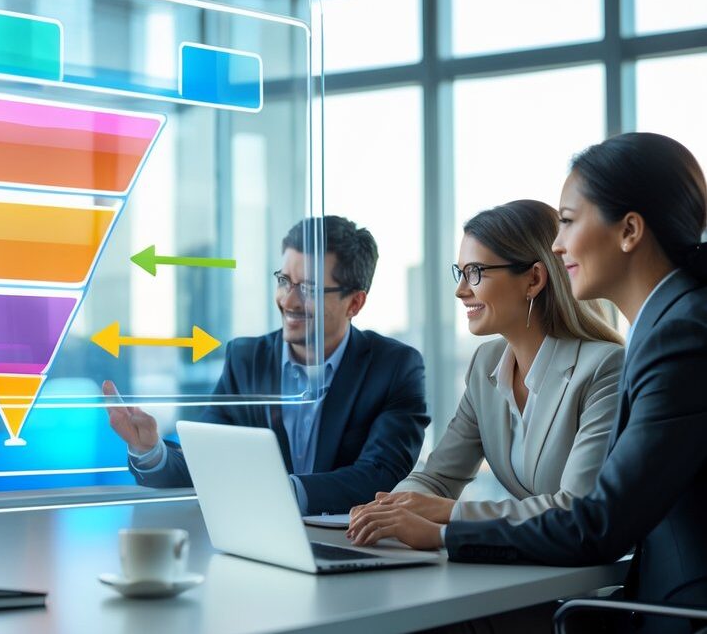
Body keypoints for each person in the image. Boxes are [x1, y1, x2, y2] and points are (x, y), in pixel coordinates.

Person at [348, 133, 707, 630]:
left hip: (665, 607)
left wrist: (444, 527)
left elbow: (596, 522)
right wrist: (391, 513)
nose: (558, 244)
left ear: (628, 231)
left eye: (568, 221)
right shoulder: (670, 323)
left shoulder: (674, 337)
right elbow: (442, 473)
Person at [105, 215, 430, 515]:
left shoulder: (395, 367)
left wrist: (277, 492)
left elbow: (379, 473)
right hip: (259, 544)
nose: (288, 300)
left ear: (355, 303)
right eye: (285, 281)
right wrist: (150, 449)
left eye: (310, 289)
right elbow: (207, 462)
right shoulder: (246, 360)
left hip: (354, 544)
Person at [358, 200, 622, 528]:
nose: (460, 290)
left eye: (475, 272)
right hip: (529, 562)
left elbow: (575, 506)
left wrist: (450, 514)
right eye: (460, 272)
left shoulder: (604, 367)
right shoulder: (487, 364)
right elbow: (438, 478)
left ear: (534, 279)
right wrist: (391, 507)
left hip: (591, 570)